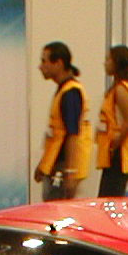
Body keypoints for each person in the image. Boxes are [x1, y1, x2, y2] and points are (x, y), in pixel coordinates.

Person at [35, 41, 91, 200]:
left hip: (63, 165)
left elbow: (72, 134)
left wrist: (70, 173)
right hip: (56, 163)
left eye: (44, 61)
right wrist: (43, 165)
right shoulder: (64, 90)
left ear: (58, 63)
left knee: (56, 210)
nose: (40, 66)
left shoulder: (71, 93)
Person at [95, 45, 128, 198]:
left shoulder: (121, 90)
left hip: (120, 154)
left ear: (116, 63)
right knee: (111, 199)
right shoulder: (124, 88)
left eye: (108, 60)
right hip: (120, 153)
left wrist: (114, 144)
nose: (105, 63)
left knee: (109, 201)